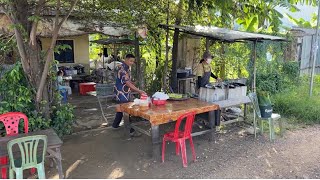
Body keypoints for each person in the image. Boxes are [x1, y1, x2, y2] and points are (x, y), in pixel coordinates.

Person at [112, 54, 146, 137]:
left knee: (121, 108)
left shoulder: (126, 68)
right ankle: (130, 130)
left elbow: (126, 81)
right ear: (125, 59)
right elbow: (126, 82)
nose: (132, 63)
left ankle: (115, 125)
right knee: (126, 110)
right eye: (130, 61)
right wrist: (139, 91)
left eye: (133, 61)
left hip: (123, 92)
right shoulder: (122, 68)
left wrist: (132, 83)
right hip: (121, 93)